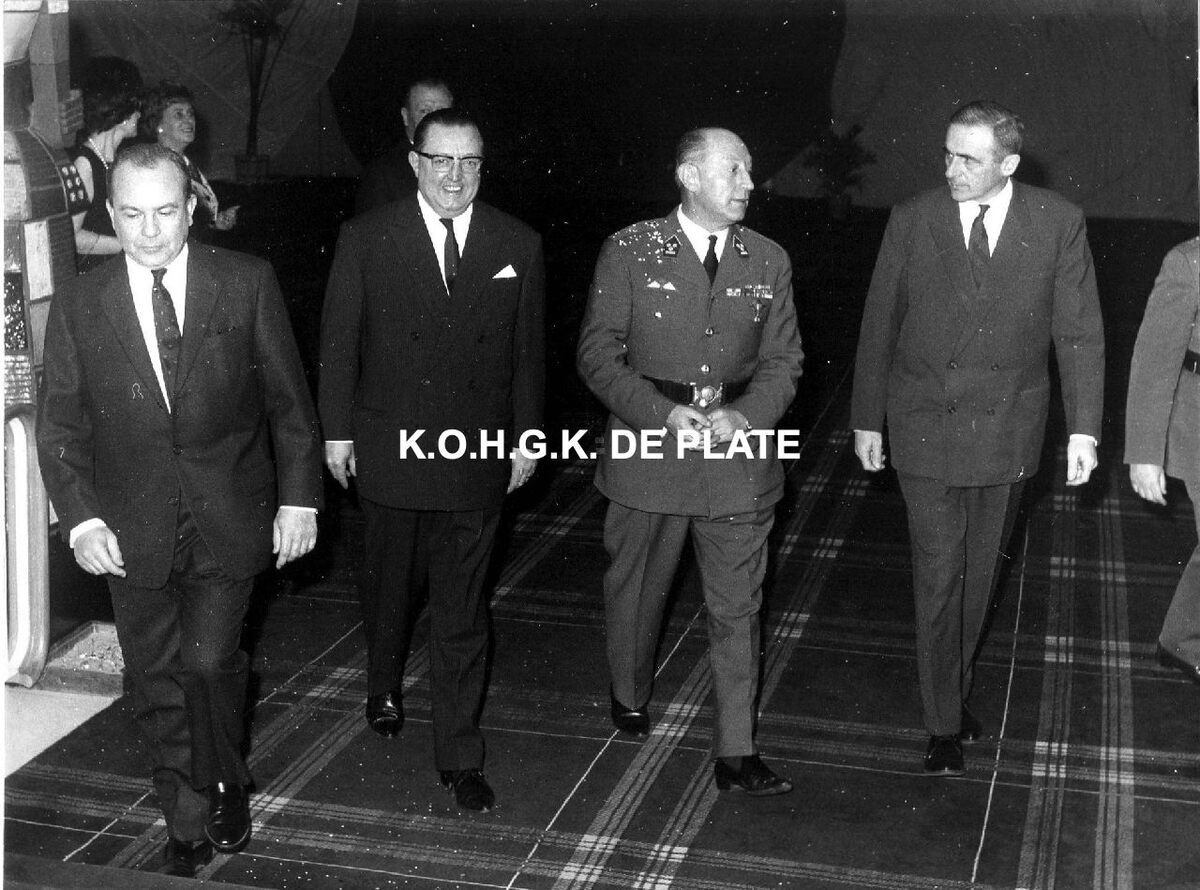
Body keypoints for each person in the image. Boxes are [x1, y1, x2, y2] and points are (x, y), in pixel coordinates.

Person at [37, 143, 323, 876]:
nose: (150, 231)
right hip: (128, 527)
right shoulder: (80, 303)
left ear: (192, 207)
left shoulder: (245, 281)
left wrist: (299, 500)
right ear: (110, 214)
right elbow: (60, 427)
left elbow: (290, 406)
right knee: (156, 676)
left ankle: (222, 779)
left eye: (165, 211)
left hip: (229, 512)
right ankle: (186, 815)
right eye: (132, 214)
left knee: (207, 661)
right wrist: (83, 520)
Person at [850, 100, 1105, 776]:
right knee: (939, 574)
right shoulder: (914, 218)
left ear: (1009, 163)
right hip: (925, 424)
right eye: (947, 154)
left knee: (979, 577)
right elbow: (879, 322)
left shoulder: (1057, 222)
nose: (951, 169)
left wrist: (1084, 430)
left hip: (1008, 428)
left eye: (969, 158)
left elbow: (1078, 333)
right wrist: (867, 417)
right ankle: (942, 723)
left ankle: (950, 690)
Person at [319, 108, 545, 813]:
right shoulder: (367, 237)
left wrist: (528, 437)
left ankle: (460, 754)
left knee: (463, 609)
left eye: (469, 162)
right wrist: (336, 433)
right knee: (389, 586)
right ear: (415, 163)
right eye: (441, 160)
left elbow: (528, 355)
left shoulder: (517, 242)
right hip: (390, 447)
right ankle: (383, 681)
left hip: (475, 454)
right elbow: (339, 343)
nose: (455, 176)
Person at [576, 127, 803, 796]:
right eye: (733, 170)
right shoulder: (629, 249)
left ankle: (737, 750)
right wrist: (661, 413)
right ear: (689, 176)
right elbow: (597, 355)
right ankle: (629, 691)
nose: (748, 183)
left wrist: (748, 415)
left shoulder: (768, 259)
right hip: (649, 449)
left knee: (739, 606)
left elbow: (785, 360)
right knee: (638, 589)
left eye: (749, 170)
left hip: (737, 456)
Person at [1124, 237, 1200, 684]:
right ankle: (1184, 641)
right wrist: (1144, 454)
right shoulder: (1189, 263)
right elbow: (1153, 362)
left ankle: (1180, 638)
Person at [141, 81, 239, 235]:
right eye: (178, 115)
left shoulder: (187, 164)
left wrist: (215, 222)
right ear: (158, 125)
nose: (188, 120)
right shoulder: (156, 166)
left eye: (190, 114)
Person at [71, 58, 142, 272]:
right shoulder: (85, 164)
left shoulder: (119, 160)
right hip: (95, 275)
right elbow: (71, 237)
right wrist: (128, 247)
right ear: (121, 113)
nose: (140, 114)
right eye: (136, 107)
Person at [354, 77, 453, 214]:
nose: (435, 118)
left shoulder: (468, 164)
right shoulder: (381, 174)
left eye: (442, 111)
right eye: (425, 110)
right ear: (406, 117)